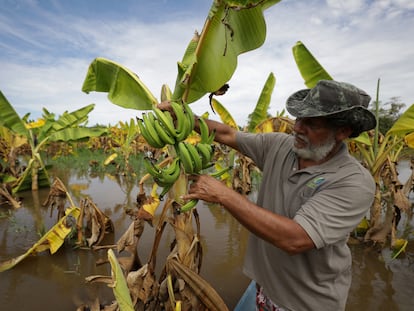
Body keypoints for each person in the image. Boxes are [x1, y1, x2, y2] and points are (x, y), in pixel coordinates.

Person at [164, 79, 377, 310]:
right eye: (298, 119)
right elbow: (227, 134)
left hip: (304, 303)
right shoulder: (280, 146)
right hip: (262, 287)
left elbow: (295, 239)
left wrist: (223, 195)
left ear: (342, 131)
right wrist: (185, 118)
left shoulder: (353, 182)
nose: (297, 128)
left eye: (311, 124)